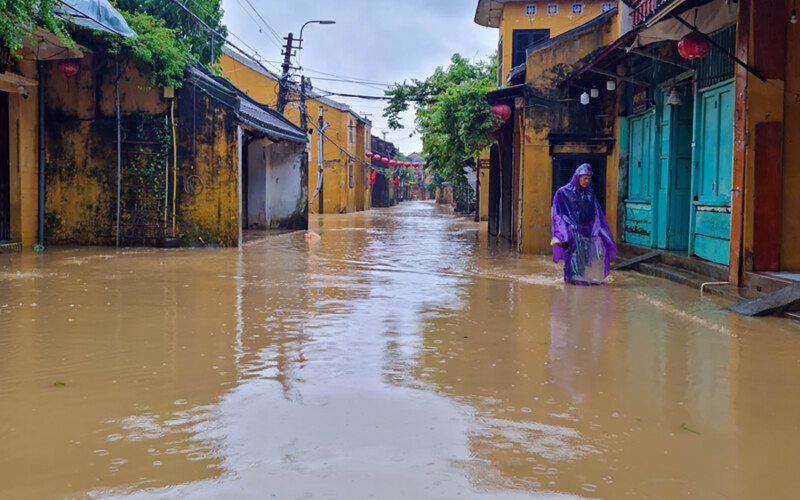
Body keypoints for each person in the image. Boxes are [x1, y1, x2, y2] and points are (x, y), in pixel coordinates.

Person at [550, 164, 617, 285]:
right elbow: (556, 213)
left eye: (589, 178)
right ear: (578, 177)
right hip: (571, 233)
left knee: (584, 258)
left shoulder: (590, 193)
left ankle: (576, 280)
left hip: (586, 232)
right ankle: (572, 282)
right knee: (573, 257)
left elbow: (595, 212)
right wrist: (563, 230)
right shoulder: (563, 192)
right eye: (584, 178)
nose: (587, 181)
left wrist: (597, 229)